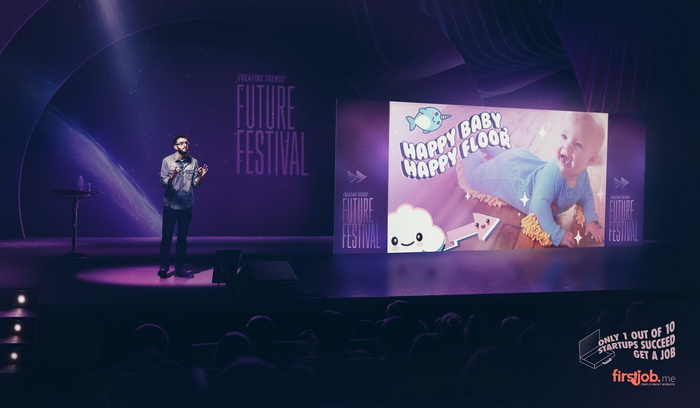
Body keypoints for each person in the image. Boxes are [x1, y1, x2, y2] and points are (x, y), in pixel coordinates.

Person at [463, 112, 605, 247]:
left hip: (522, 161)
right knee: (473, 177)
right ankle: (470, 145)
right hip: (510, 175)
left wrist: (591, 220)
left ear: (591, 160)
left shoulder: (583, 177)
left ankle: (489, 146)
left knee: (506, 157)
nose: (566, 146)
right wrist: (555, 233)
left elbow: (586, 197)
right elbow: (538, 206)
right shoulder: (552, 175)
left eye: (578, 144)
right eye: (564, 136)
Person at [158, 135, 208, 278]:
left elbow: (196, 185)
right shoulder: (167, 161)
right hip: (170, 205)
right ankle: (164, 267)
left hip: (186, 206)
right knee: (167, 238)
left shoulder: (194, 162)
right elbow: (163, 183)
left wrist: (201, 177)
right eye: (181, 143)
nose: (185, 145)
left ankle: (179, 268)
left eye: (186, 142)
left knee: (182, 239)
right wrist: (172, 176)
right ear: (175, 147)